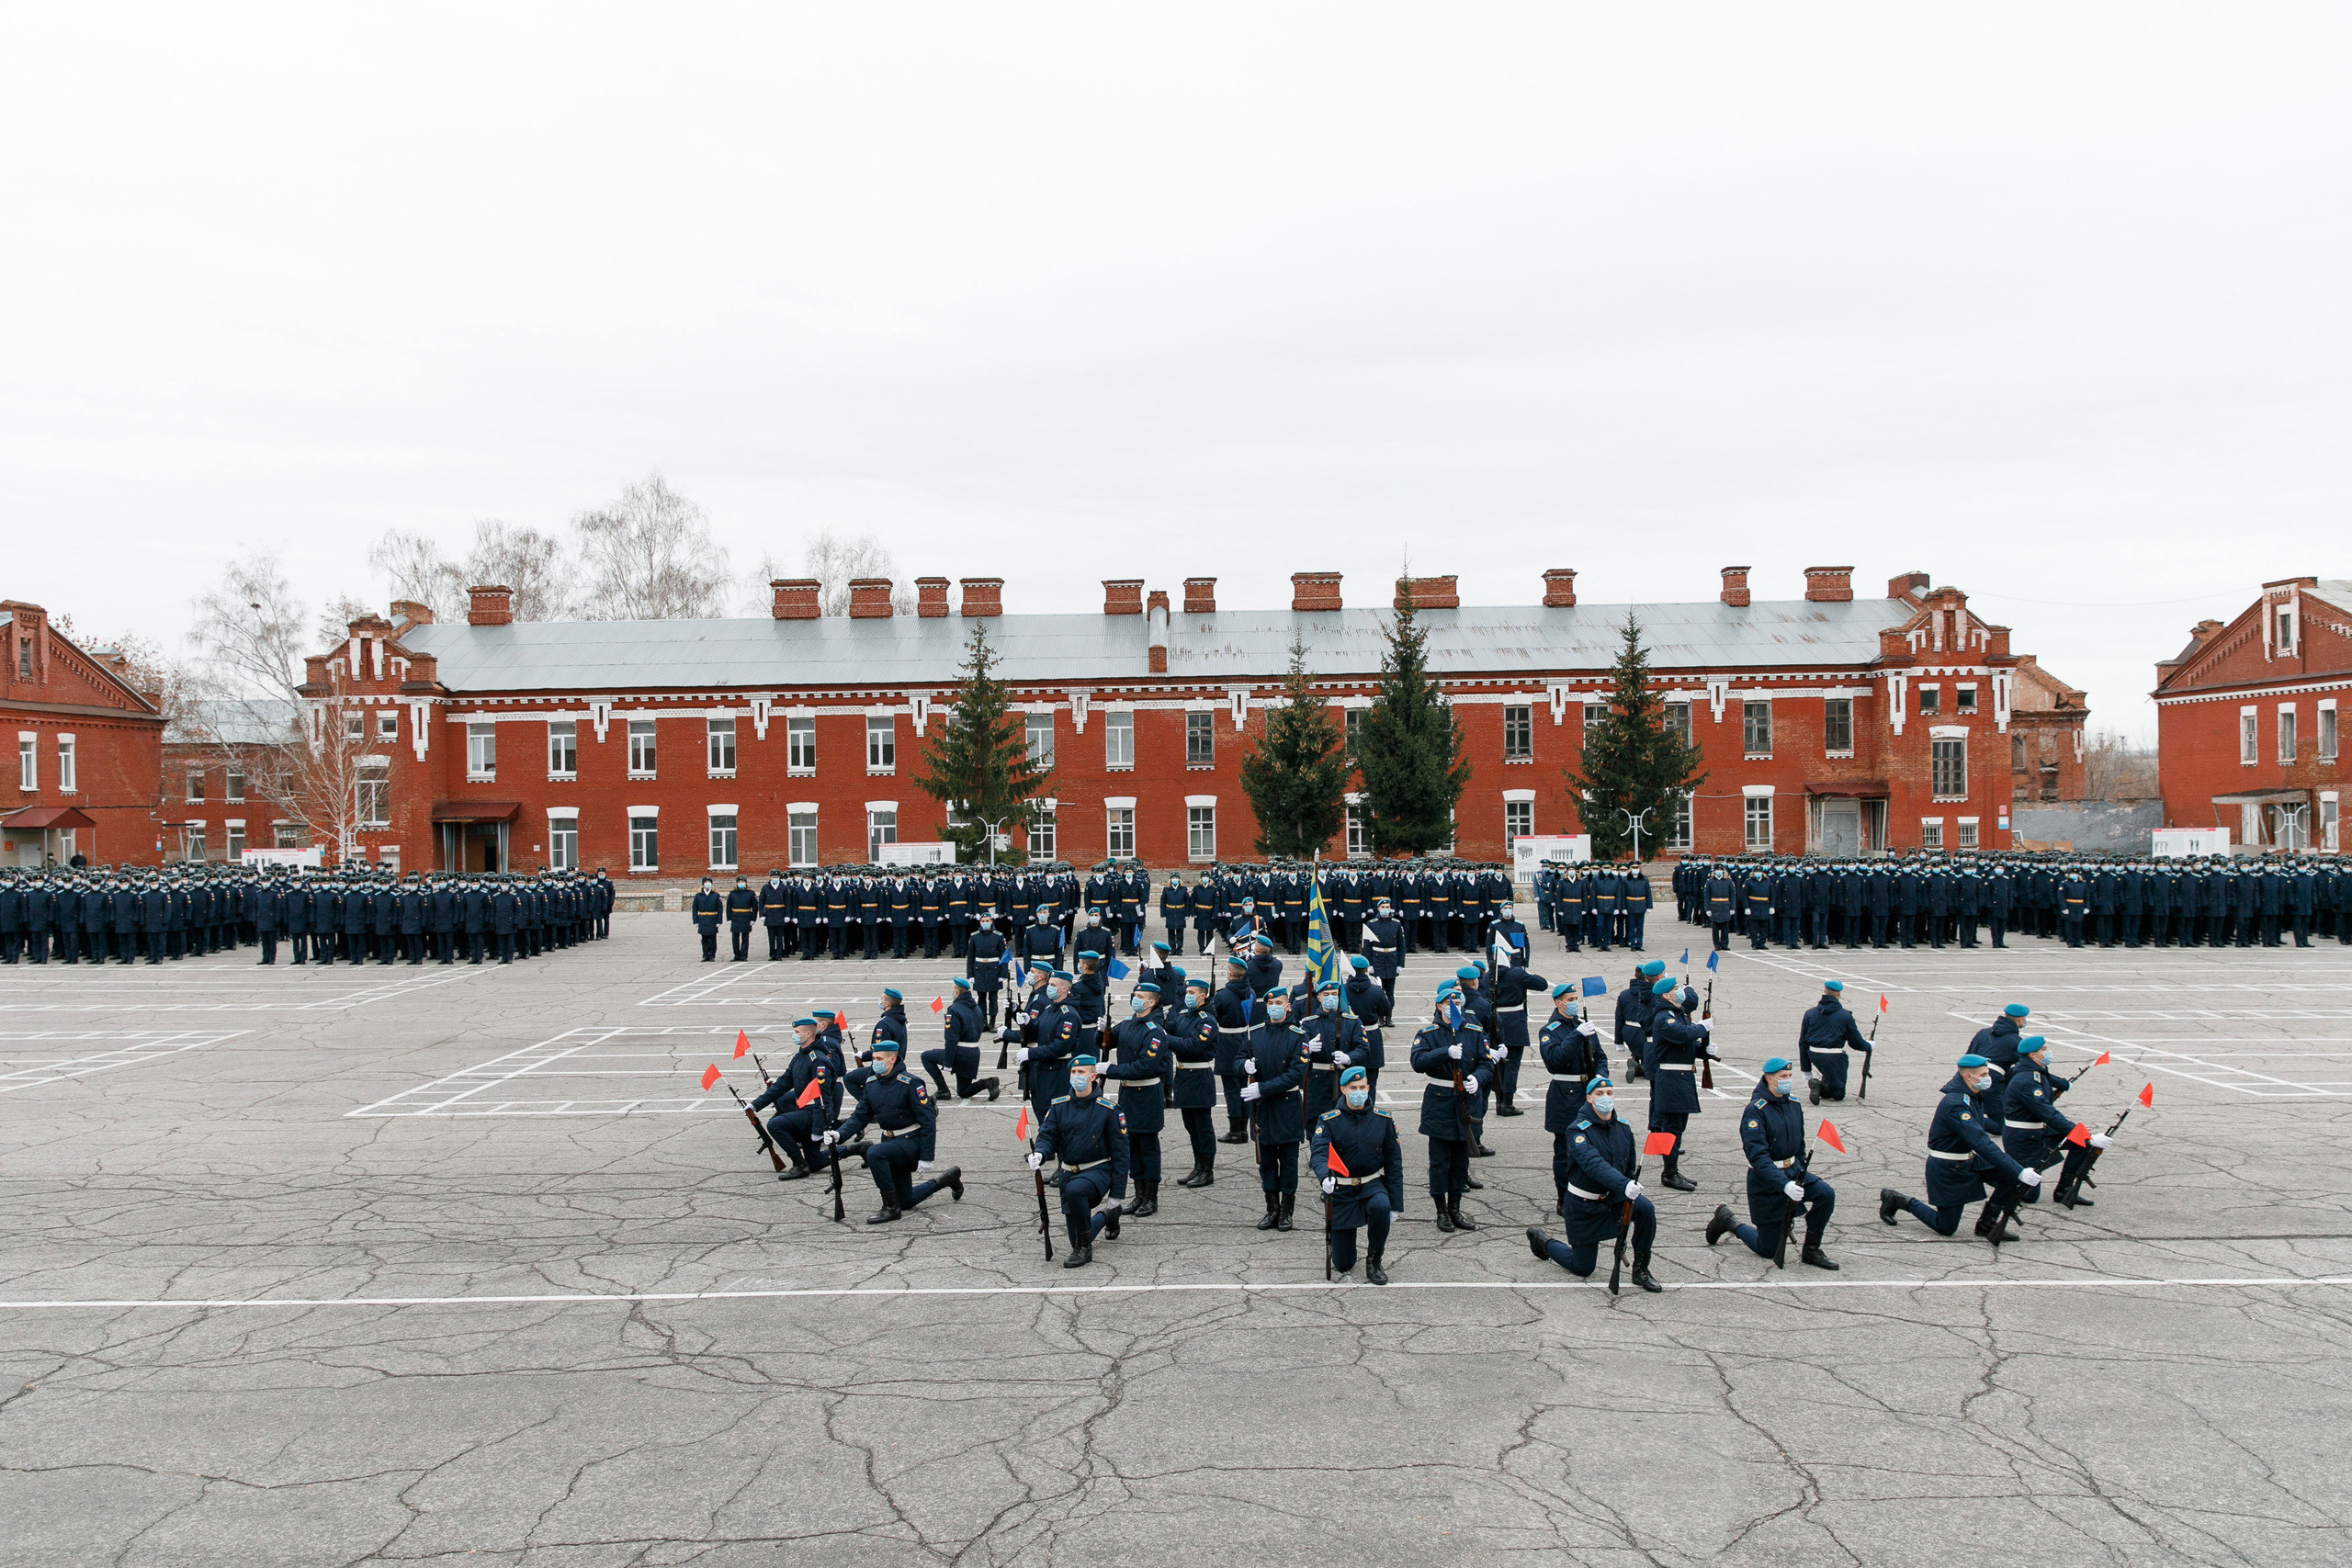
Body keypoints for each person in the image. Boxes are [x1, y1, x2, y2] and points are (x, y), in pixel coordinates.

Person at [1879, 1054, 2039, 1242]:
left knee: (2009, 1177)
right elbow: (1981, 1141)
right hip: (1948, 1166)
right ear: (1969, 1077)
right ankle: (1897, 1200)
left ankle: (1986, 1225)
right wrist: (2019, 1170)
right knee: (1945, 1227)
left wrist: (2015, 1172)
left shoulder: (1973, 1096)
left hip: (1968, 1159)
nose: (1988, 1078)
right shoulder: (1955, 1104)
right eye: (1984, 1074)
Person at [1522, 1074, 1660, 1292]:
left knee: (1646, 1210)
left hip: (1613, 1200)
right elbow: (1593, 1163)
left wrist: (1628, 1186)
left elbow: (1628, 1165)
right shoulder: (1577, 1130)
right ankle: (1544, 1243)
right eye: (1599, 1094)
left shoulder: (1623, 1128)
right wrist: (1623, 1184)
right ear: (1589, 1098)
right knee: (1583, 1267)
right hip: (1584, 1206)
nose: (1606, 1097)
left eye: (1609, 1093)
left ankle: (1641, 1269)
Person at [1705, 1056, 1838, 1269]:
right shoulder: (1755, 1111)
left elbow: (1799, 1145)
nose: (1787, 1080)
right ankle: (1729, 1221)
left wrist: (1800, 1173)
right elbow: (1758, 1157)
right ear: (1769, 1079)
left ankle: (1811, 1250)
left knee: (1825, 1193)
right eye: (1782, 1077)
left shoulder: (1793, 1104)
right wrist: (1783, 1185)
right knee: (1768, 1249)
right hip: (1766, 1183)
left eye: (1789, 1076)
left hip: (1792, 1173)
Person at [823, 1038, 959, 1224]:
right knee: (907, 1200)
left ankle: (890, 1207)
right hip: (889, 1141)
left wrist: (927, 1157)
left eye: (879, 1058)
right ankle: (946, 1179)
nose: (875, 1063)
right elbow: (860, 1115)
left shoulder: (911, 1083)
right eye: (874, 1058)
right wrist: (840, 1134)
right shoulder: (872, 1083)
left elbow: (928, 1121)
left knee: (874, 1153)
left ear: (892, 1060)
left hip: (910, 1141)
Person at [1409, 978, 1496, 1234]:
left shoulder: (1474, 1031)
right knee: (1439, 1162)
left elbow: (1487, 1063)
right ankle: (1441, 1211)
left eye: (1458, 1001)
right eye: (1449, 1002)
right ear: (1439, 1006)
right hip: (1440, 1100)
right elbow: (1417, 1061)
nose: (1454, 1005)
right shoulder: (1428, 1034)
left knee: (1461, 1161)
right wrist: (1444, 1052)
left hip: (1466, 1101)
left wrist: (1476, 1079)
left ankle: (1456, 1208)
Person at [1029, 1055, 1129, 1269]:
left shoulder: (1109, 1110)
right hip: (1068, 1173)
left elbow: (1121, 1153)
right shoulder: (1059, 1106)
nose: (1076, 1076)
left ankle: (1085, 1250)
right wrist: (1040, 1153)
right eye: (1073, 1072)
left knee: (1076, 1191)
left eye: (1081, 1072)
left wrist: (1117, 1194)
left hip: (1097, 1171)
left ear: (1092, 1076)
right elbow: (1048, 1135)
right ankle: (1107, 1216)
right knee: (1076, 1236)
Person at [1312, 1066, 1404, 1284]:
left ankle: (1374, 1260)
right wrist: (1325, 1176)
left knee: (1381, 1205)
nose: (1358, 1092)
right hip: (1342, 1190)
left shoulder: (1383, 1119)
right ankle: (1346, 1246)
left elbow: (1394, 1163)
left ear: (1368, 1088)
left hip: (1371, 1184)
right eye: (1353, 1087)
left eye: (1362, 1087)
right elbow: (1318, 1153)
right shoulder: (1329, 1120)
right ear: (1343, 1089)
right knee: (1344, 1263)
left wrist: (1396, 1204)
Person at [2002, 1036, 2110, 1206]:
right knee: (2029, 1196)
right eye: (2044, 1049)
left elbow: (2050, 1079)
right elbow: (2049, 1114)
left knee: (2081, 1144)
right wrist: (2087, 1135)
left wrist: (2065, 1085)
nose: (2048, 1052)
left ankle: (2064, 1191)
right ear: (2033, 1054)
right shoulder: (2026, 1081)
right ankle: (2006, 1178)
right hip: (2023, 1139)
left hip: (2039, 1132)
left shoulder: (2036, 1071)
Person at [1099, 980, 1174, 1217]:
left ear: (1151, 1002)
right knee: (1131, 1146)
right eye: (1135, 994)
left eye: (1140, 996)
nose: (1135, 998)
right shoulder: (1130, 1024)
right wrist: (1103, 1032)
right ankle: (1138, 1194)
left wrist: (1110, 1070)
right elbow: (1107, 1043)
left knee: (1148, 1148)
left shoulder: (1155, 1032)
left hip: (1147, 1094)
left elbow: (1145, 1066)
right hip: (1128, 1093)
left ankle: (1151, 1197)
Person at [1538, 983, 1609, 1217]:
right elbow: (1555, 1059)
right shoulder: (1550, 1030)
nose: (1575, 1003)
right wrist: (1576, 1036)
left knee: (1593, 1146)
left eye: (1576, 998)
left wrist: (1601, 1077)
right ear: (1558, 1003)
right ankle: (1564, 1197)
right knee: (1566, 1151)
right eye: (1570, 999)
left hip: (1587, 1092)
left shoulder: (1583, 1026)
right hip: (1565, 1094)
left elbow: (1600, 1056)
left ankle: (1588, 1193)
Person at [1242, 986, 1308, 1231]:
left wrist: (1263, 1088)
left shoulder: (1297, 1035)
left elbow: (1295, 1075)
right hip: (1263, 1109)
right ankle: (1272, 1209)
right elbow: (1239, 1057)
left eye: (1279, 1003)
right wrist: (1244, 1065)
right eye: (1270, 1003)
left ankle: (1287, 1210)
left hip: (1287, 1105)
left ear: (1288, 1006)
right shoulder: (1256, 1032)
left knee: (1289, 1162)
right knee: (1266, 1162)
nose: (1274, 1007)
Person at [1645, 978, 1718, 1191]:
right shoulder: (1663, 1017)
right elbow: (1681, 1034)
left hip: (1681, 1078)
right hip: (1671, 1079)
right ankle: (1669, 1173)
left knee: (1678, 1128)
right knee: (1671, 1129)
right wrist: (1700, 1028)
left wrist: (1704, 1050)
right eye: (1675, 989)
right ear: (1666, 996)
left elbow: (1686, 1044)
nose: (1679, 991)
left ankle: (1673, 1170)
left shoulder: (1676, 1013)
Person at [750, 1018, 839, 1179]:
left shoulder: (817, 1060)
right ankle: (857, 1149)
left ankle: (799, 1165)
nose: (794, 1035)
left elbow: (824, 1098)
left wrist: (819, 1128)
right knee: (816, 1163)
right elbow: (783, 1083)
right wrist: (755, 1105)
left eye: (797, 1032)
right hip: (805, 1110)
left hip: (814, 1113)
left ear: (808, 1034)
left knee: (775, 1124)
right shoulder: (801, 1056)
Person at [1168, 973, 1222, 1188]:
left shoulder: (1207, 1021)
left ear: (1202, 996)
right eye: (1186, 992)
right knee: (1191, 1126)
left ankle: (1207, 1170)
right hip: (1183, 1076)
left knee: (1203, 1127)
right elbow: (1169, 1026)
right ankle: (1197, 1166)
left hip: (1199, 1077)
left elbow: (1192, 1046)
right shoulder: (1186, 1015)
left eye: (1191, 993)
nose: (1187, 996)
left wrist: (1166, 1039)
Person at [922, 976, 1000, 1101]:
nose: (952, 992)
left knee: (926, 1056)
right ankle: (988, 1083)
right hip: (973, 1052)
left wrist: (947, 1063)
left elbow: (951, 1039)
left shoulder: (954, 1010)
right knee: (964, 1091)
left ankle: (943, 1090)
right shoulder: (977, 1008)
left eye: (952, 990)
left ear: (957, 992)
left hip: (960, 1053)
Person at [1797, 979, 1873, 1104]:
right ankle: (1819, 1086)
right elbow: (1854, 1042)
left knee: (1830, 1074)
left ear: (1824, 991)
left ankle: (1822, 1084)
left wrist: (1806, 1068)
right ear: (1838, 994)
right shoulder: (1845, 1016)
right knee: (1838, 1094)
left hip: (1814, 1054)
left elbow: (1803, 1042)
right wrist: (1868, 1046)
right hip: (1835, 1057)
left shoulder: (1810, 1013)